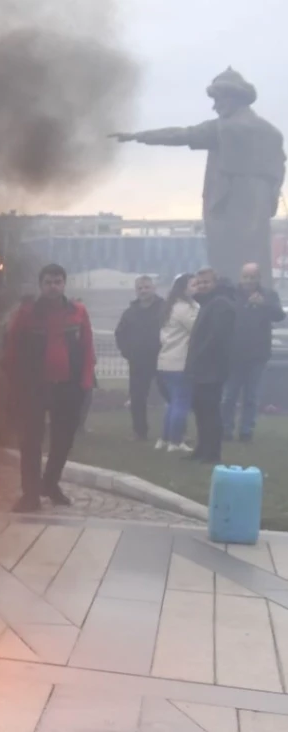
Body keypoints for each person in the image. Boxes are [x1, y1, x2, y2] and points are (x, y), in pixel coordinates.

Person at [115, 69, 285, 282]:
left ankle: (231, 299)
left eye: (219, 101)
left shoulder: (224, 128)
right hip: (258, 210)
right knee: (256, 259)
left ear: (233, 98)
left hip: (227, 206)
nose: (215, 107)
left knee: (227, 262)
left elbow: (180, 135)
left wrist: (138, 136)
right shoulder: (271, 133)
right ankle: (257, 297)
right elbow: (278, 173)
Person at [3, 264, 96, 512]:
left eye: (57, 281)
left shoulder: (78, 312)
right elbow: (12, 349)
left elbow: (88, 349)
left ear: (64, 284)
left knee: (63, 441)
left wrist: (85, 382)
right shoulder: (27, 313)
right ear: (41, 285)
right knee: (31, 441)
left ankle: (50, 484)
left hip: (68, 388)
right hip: (34, 388)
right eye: (48, 282)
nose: (53, 286)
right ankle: (30, 495)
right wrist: (14, 383)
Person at [222, 262, 285, 443]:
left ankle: (246, 431)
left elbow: (279, 316)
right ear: (240, 277)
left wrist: (264, 305)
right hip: (234, 353)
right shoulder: (232, 294)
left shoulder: (269, 295)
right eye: (245, 277)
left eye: (252, 277)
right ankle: (226, 429)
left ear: (259, 278)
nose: (248, 281)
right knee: (229, 396)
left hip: (258, 354)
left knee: (252, 396)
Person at [186, 267, 238, 462]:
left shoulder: (221, 304)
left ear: (215, 283)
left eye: (206, 282)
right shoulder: (208, 303)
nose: (202, 286)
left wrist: (199, 356)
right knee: (200, 410)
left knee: (210, 411)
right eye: (199, 283)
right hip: (201, 367)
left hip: (212, 368)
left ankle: (212, 453)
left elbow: (217, 337)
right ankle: (201, 449)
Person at [113, 275, 164, 441]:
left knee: (171, 396)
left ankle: (176, 432)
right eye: (140, 288)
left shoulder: (165, 309)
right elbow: (120, 334)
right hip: (138, 361)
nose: (143, 291)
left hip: (162, 359)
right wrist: (127, 352)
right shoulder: (130, 312)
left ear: (154, 288)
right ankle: (139, 432)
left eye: (146, 287)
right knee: (137, 397)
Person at [156, 273, 198, 453]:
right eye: (193, 284)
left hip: (165, 362)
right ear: (183, 288)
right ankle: (176, 441)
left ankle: (164, 439)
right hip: (180, 362)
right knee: (181, 403)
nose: (196, 287)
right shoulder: (184, 308)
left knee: (173, 403)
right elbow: (196, 327)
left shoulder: (170, 306)